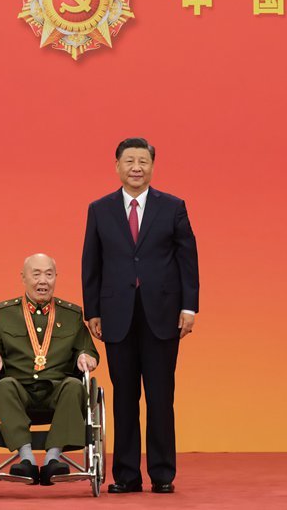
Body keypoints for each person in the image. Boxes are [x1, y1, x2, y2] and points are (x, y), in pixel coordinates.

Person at [81, 138, 199, 494]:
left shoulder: (173, 207)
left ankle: (162, 474)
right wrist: (93, 311)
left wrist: (189, 307)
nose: (136, 167)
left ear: (152, 166)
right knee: (125, 397)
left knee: (161, 397)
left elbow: (187, 260)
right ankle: (126, 475)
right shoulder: (100, 209)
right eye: (129, 161)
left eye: (143, 161)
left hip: (162, 314)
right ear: (117, 165)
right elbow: (91, 263)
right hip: (116, 315)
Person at [0, 253, 99, 486]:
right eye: (36, 274)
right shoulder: (4, 314)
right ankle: (27, 460)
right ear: (23, 278)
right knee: (3, 385)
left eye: (49, 274)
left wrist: (86, 355)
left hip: (58, 392)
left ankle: (53, 458)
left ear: (56, 278)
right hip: (18, 392)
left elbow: (87, 349)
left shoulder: (71, 315)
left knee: (75, 386)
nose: (43, 281)